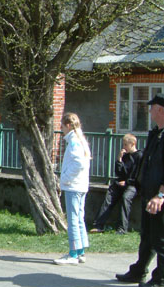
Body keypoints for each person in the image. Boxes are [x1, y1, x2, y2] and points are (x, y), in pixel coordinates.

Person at [116, 93, 164, 287]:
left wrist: (161, 195)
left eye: (152, 107)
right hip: (148, 194)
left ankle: (161, 278)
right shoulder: (156, 133)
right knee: (147, 236)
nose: (150, 110)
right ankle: (139, 270)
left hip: (159, 198)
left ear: (161, 109)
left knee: (161, 239)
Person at [54, 112, 91, 265]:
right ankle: (81, 250)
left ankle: (73, 253)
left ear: (68, 125)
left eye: (62, 126)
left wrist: (66, 178)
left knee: (73, 220)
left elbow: (79, 164)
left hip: (74, 186)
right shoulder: (81, 140)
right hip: (81, 185)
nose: (61, 129)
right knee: (79, 218)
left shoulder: (74, 141)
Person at [90, 133, 142, 234]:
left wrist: (127, 182)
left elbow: (138, 175)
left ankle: (122, 228)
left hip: (133, 184)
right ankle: (98, 225)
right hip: (121, 182)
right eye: (123, 144)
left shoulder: (139, 156)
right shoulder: (125, 156)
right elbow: (119, 172)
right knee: (109, 196)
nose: (124, 147)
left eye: (126, 145)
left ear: (133, 144)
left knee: (126, 198)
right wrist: (119, 160)